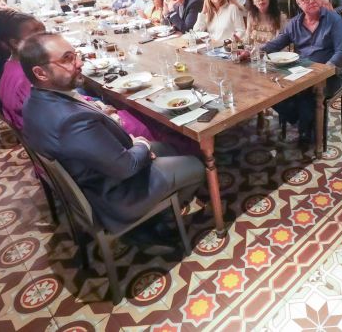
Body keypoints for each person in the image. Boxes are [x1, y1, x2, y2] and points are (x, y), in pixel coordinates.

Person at [19, 32, 206, 234]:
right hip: (116, 194)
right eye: (67, 59)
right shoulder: (70, 121)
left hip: (98, 174)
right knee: (196, 165)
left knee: (168, 148)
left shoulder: (34, 101)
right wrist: (141, 145)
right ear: (41, 73)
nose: (79, 63)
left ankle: (161, 204)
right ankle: (159, 221)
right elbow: (127, 167)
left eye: (75, 55)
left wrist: (134, 146)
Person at [262, 0, 342, 147]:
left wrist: (324, 72)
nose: (312, 1)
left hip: (329, 75)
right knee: (271, 90)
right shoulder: (294, 23)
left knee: (307, 93)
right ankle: (303, 120)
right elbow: (275, 44)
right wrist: (255, 51)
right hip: (300, 73)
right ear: (298, 3)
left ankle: (307, 132)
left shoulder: (334, 20)